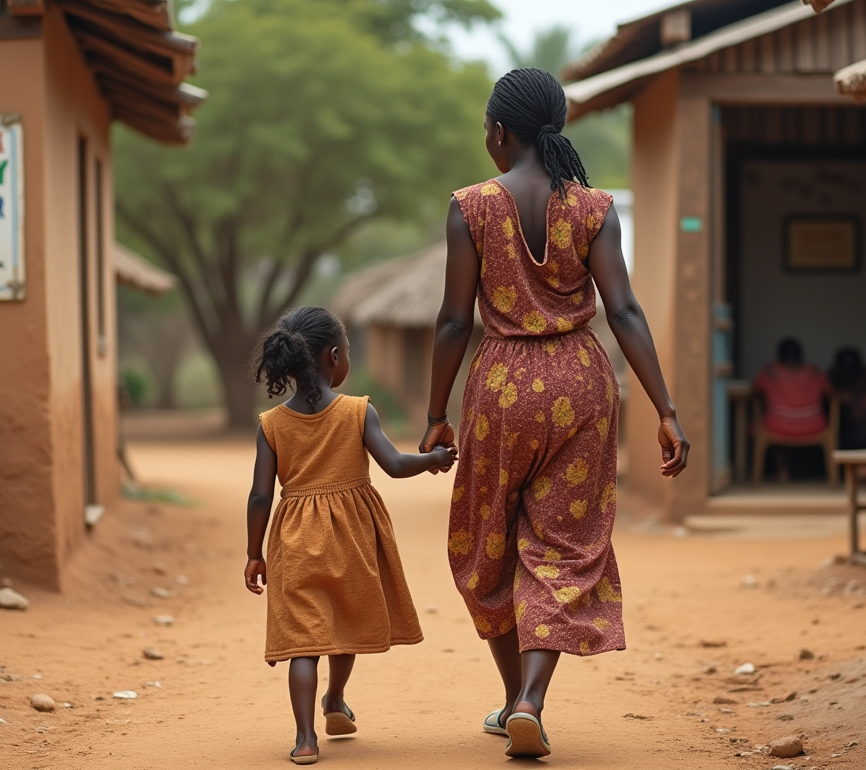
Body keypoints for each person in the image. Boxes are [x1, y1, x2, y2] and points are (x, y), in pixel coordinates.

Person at [420, 68, 689, 759]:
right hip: (581, 386)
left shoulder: (471, 207)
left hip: (500, 389)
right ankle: (530, 702)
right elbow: (624, 311)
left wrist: (435, 413)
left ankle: (515, 697)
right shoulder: (595, 207)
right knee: (564, 546)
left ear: (499, 132)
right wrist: (665, 409)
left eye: (487, 129)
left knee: (491, 540)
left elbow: (453, 322)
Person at [243, 306, 457, 765]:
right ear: (335, 356)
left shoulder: (271, 424)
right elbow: (395, 465)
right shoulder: (358, 411)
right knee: (343, 623)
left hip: (295, 540)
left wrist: (253, 553)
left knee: (304, 643)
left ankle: (305, 739)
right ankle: (335, 699)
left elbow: (260, 496)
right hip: (351, 537)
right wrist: (434, 460)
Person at [754, 337, 833, 481]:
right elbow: (831, 393)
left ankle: (782, 470)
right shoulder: (815, 372)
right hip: (813, 425)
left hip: (777, 425)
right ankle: (800, 470)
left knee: (757, 425)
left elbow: (755, 392)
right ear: (800, 354)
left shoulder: (769, 371)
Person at [828, 346, 866, 450]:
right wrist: (838, 396)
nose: (848, 369)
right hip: (841, 425)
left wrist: (854, 400)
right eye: (845, 366)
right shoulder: (834, 375)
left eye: (852, 365)